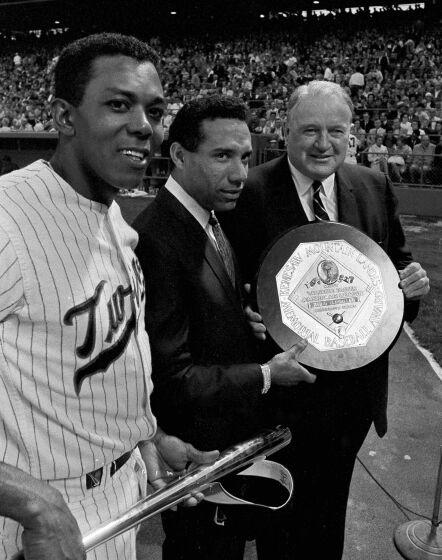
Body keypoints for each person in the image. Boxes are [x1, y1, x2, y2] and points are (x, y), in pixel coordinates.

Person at [0, 33, 218, 560]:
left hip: (121, 498)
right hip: (37, 519)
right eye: (118, 104)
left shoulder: (114, 214)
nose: (145, 126)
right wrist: (33, 505)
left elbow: (106, 360)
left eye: (155, 110)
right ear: (64, 116)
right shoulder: (8, 220)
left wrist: (147, 437)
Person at [221, 80, 430, 560]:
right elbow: (225, 288)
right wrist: (244, 318)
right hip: (282, 395)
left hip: (353, 395)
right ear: (285, 131)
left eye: (336, 130)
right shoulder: (248, 192)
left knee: (330, 508)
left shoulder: (373, 186)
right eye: (310, 130)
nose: (323, 143)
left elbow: (393, 271)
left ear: (351, 134)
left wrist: (411, 287)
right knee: (282, 516)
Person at [132, 95, 316, 560]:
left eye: (244, 158)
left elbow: (204, 323)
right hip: (198, 460)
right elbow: (173, 379)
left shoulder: (210, 217)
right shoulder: (158, 238)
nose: (239, 173)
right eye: (222, 156)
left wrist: (241, 324)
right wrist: (268, 374)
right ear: (177, 155)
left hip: (223, 450)